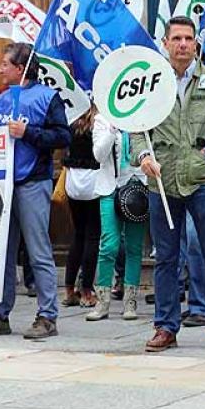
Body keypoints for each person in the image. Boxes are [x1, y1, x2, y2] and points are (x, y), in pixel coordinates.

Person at [132, 15, 205, 354]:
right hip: (161, 183)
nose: (182, 44)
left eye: (188, 38)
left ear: (196, 44)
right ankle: (165, 326)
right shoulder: (150, 82)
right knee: (166, 258)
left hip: (203, 180)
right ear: (164, 43)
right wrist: (142, 158)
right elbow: (135, 126)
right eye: (176, 38)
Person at [0, 42, 71, 340]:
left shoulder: (47, 97)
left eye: (5, 64)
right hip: (3, 184)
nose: (0, 68)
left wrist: (28, 132)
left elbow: (62, 135)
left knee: (38, 250)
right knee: (2, 253)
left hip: (32, 182)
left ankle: (47, 316)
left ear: (21, 68)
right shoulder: (2, 99)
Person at [85, 124, 143, 322]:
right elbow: (99, 155)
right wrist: (112, 130)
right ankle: (102, 301)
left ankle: (130, 301)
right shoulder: (103, 120)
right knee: (108, 245)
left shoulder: (143, 117)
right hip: (110, 188)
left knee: (134, 247)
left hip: (138, 186)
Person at [63, 107, 105, 310]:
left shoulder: (72, 123)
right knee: (92, 236)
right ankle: (87, 290)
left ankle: (69, 288)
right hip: (93, 182)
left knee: (78, 235)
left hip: (73, 182)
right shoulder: (100, 122)